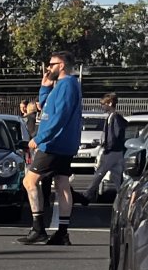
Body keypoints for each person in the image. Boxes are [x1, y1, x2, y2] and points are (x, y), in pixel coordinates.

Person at [18, 49, 83, 246]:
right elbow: (44, 107)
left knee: (29, 182)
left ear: (61, 66)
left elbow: (59, 117)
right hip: (62, 143)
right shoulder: (61, 86)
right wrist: (44, 88)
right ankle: (62, 233)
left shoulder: (67, 85)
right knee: (62, 183)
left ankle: (38, 228)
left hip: (53, 143)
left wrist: (39, 138)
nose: (48, 68)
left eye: (52, 64)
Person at [82, 92, 126, 205]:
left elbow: (115, 135)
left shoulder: (115, 118)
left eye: (104, 104)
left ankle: (87, 195)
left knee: (100, 173)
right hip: (116, 151)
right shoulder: (112, 117)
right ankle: (123, 196)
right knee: (116, 176)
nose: (102, 106)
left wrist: (108, 146)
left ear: (110, 103)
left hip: (112, 152)